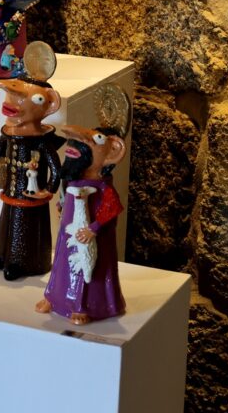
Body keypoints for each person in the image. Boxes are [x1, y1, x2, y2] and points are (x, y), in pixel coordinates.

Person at [37, 122, 128, 324]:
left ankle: (83, 306)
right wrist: (63, 205)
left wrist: (93, 229)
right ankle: (55, 298)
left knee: (89, 266)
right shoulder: (73, 180)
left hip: (90, 236)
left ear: (113, 151)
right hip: (69, 233)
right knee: (62, 262)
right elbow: (66, 196)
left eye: (95, 141)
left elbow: (111, 210)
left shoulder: (104, 187)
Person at [0, 75, 63, 280]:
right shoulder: (8, 135)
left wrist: (48, 190)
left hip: (30, 195)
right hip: (10, 191)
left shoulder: (41, 141)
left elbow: (56, 168)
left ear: (50, 104)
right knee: (6, 224)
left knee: (25, 227)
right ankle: (3, 255)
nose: (12, 102)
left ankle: (23, 263)